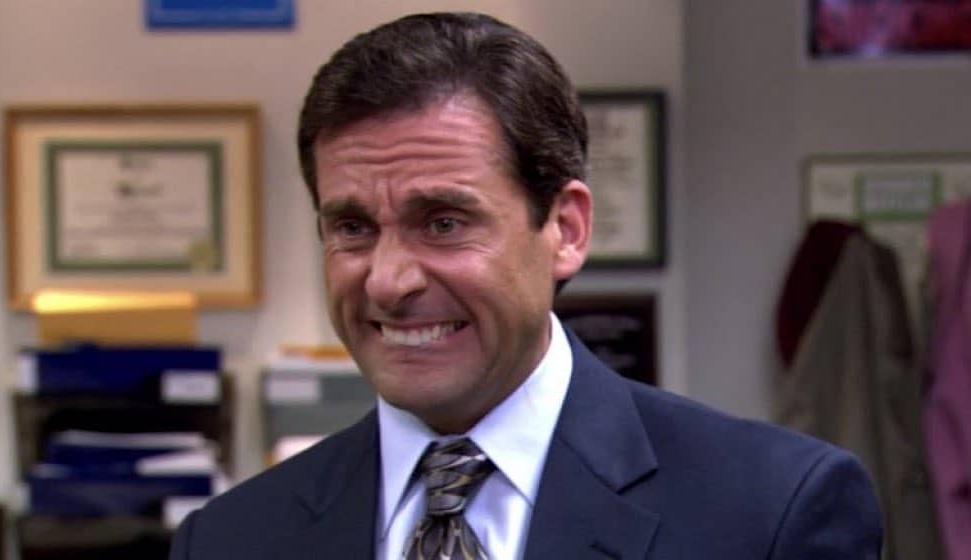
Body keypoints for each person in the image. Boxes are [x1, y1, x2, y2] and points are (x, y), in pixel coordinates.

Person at [169, 12, 882, 559]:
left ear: (566, 229)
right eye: (353, 228)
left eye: (443, 222)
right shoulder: (230, 539)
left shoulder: (769, 511)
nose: (387, 281)